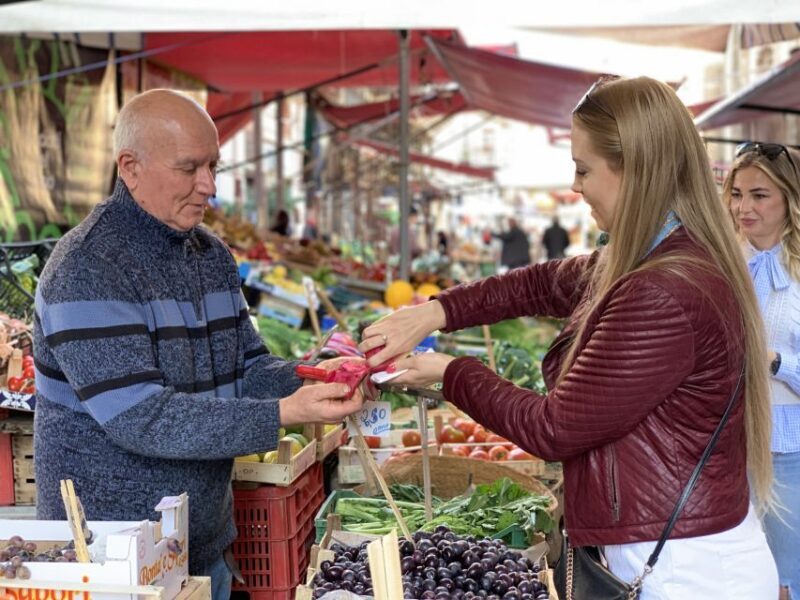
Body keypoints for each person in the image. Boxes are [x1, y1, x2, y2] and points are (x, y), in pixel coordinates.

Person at [360, 77, 778, 598]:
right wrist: (436, 312)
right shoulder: (655, 254)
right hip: (671, 548)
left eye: (583, 170)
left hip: (687, 570)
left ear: (635, 171)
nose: (575, 187)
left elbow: (555, 427)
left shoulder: (663, 289)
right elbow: (541, 283)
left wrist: (450, 373)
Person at [33, 89, 365, 600]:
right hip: (109, 564)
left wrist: (321, 372)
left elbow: (246, 368)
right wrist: (281, 412)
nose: (208, 186)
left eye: (212, 165)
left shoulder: (210, 255)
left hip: (201, 545)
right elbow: (141, 417)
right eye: (189, 168)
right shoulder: (87, 268)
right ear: (131, 168)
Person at [724, 142, 800, 600]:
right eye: (736, 193)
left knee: (787, 576)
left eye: (759, 195)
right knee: (742, 578)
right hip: (727, 446)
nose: (743, 207)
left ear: (789, 198)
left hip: (790, 453)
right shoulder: (722, 263)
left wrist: (773, 361)